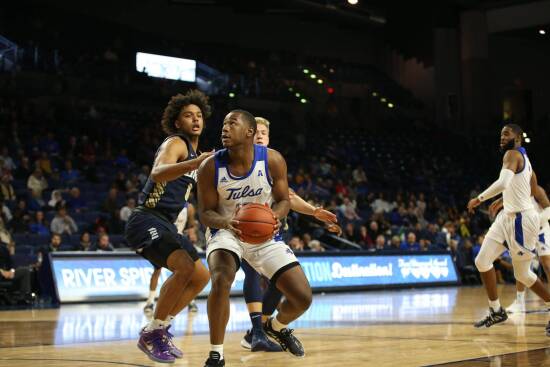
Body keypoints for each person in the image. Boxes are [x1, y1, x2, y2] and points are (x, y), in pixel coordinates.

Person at [197, 110, 313, 366]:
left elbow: (284, 200)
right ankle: (216, 354)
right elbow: (204, 213)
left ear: (249, 132)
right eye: (224, 124)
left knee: (303, 297)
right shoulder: (209, 166)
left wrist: (275, 217)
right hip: (227, 231)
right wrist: (226, 221)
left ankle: (276, 327)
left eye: (232, 124)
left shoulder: (272, 160)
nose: (224, 129)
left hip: (264, 233)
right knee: (221, 278)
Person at [124, 90, 212, 363]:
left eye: (199, 115)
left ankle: (157, 329)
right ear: (177, 122)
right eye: (188, 115)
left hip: (168, 225)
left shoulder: (197, 156)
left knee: (200, 277)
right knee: (184, 267)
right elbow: (158, 172)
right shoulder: (176, 143)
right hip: (146, 218)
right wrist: (195, 162)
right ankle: (155, 332)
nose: (195, 120)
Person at [240, 116, 340, 352]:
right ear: (247, 135)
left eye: (264, 132)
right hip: (240, 232)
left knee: (280, 286)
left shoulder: (273, 161)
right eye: (256, 132)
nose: (261, 135)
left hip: (271, 234)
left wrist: (314, 212)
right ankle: (255, 332)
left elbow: (290, 197)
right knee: (252, 275)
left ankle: (263, 329)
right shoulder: (235, 159)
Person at [467, 124, 550, 334]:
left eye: (506, 134)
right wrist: (504, 201)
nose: (502, 137)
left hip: (522, 220)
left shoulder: (512, 154)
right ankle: (496, 310)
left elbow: (504, 183)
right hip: (508, 217)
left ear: (518, 138)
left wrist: (479, 199)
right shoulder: (526, 162)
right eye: (501, 134)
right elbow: (524, 189)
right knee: (482, 261)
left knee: (522, 275)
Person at [487, 185, 550, 313]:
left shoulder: (537, 190)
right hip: (524, 230)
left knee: (547, 264)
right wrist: (499, 203)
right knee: (519, 264)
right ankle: (519, 302)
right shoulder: (512, 189)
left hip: (540, 228)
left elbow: (549, 210)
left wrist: (536, 221)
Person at [144, 203, 199, 314]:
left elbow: (192, 224)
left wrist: (193, 231)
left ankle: (191, 302)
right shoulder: (166, 202)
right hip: (163, 239)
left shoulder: (189, 207)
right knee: (157, 270)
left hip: (179, 239)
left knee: (189, 271)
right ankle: (150, 302)